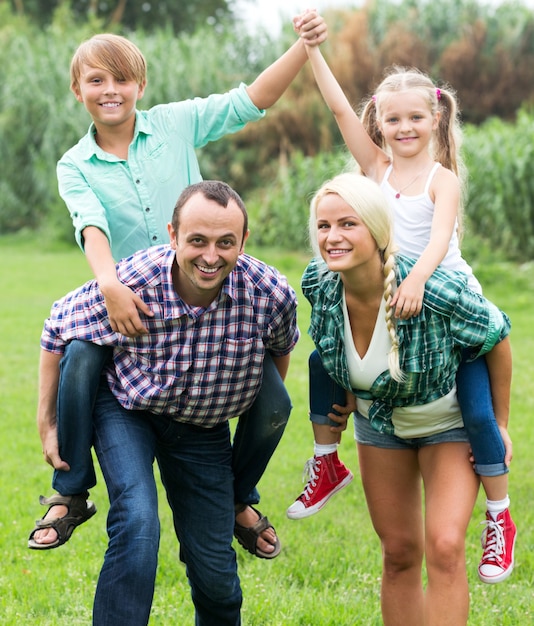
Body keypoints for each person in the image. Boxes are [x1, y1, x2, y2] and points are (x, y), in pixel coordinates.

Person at [28, 11, 327, 553]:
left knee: (273, 395)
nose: (111, 90)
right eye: (96, 80)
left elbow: (252, 99)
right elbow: (90, 225)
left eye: (122, 79)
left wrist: (303, 48)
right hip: (131, 304)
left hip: (205, 291)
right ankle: (70, 491)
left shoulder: (175, 123)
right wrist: (110, 285)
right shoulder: (74, 164)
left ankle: (240, 495)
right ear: (78, 90)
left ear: (140, 85)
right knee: (81, 354)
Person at [287, 15, 516, 584]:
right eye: (393, 119)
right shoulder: (376, 169)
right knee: (325, 359)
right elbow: (340, 110)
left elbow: (438, 237)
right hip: (388, 299)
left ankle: (499, 515)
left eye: (416, 117)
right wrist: (311, 50)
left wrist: (416, 281)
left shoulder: (442, 179)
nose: (405, 126)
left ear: (435, 117)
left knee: (478, 411)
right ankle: (326, 460)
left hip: (443, 306)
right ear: (380, 124)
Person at [33, 180, 300, 625]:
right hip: (127, 410)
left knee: (215, 574)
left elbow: (279, 352)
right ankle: (71, 494)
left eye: (225, 243)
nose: (211, 256)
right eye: (197, 240)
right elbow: (56, 329)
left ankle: (236, 500)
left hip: (201, 426)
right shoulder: (136, 279)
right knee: (138, 524)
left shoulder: (268, 293)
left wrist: (242, 400)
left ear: (244, 241)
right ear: (173, 235)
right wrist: (47, 422)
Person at [300, 172, 512, 624]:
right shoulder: (320, 285)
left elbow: (497, 336)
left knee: (445, 546)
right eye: (323, 226)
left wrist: (502, 424)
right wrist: (358, 394)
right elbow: (333, 355)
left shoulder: (431, 290)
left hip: (448, 425)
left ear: (377, 231)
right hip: (382, 430)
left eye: (347, 224)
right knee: (398, 553)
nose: (332, 237)